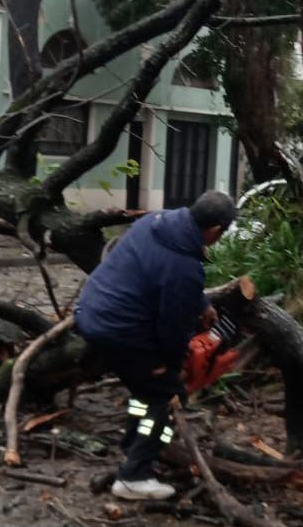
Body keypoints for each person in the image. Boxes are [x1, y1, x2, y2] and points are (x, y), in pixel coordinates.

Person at [75, 190, 237, 500]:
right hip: (120, 330)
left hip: (92, 311)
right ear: (216, 230)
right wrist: (173, 364)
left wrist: (200, 302)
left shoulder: (157, 222)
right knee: (166, 395)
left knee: (143, 390)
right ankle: (134, 476)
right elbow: (173, 328)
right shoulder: (184, 267)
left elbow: (161, 277)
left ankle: (131, 447)